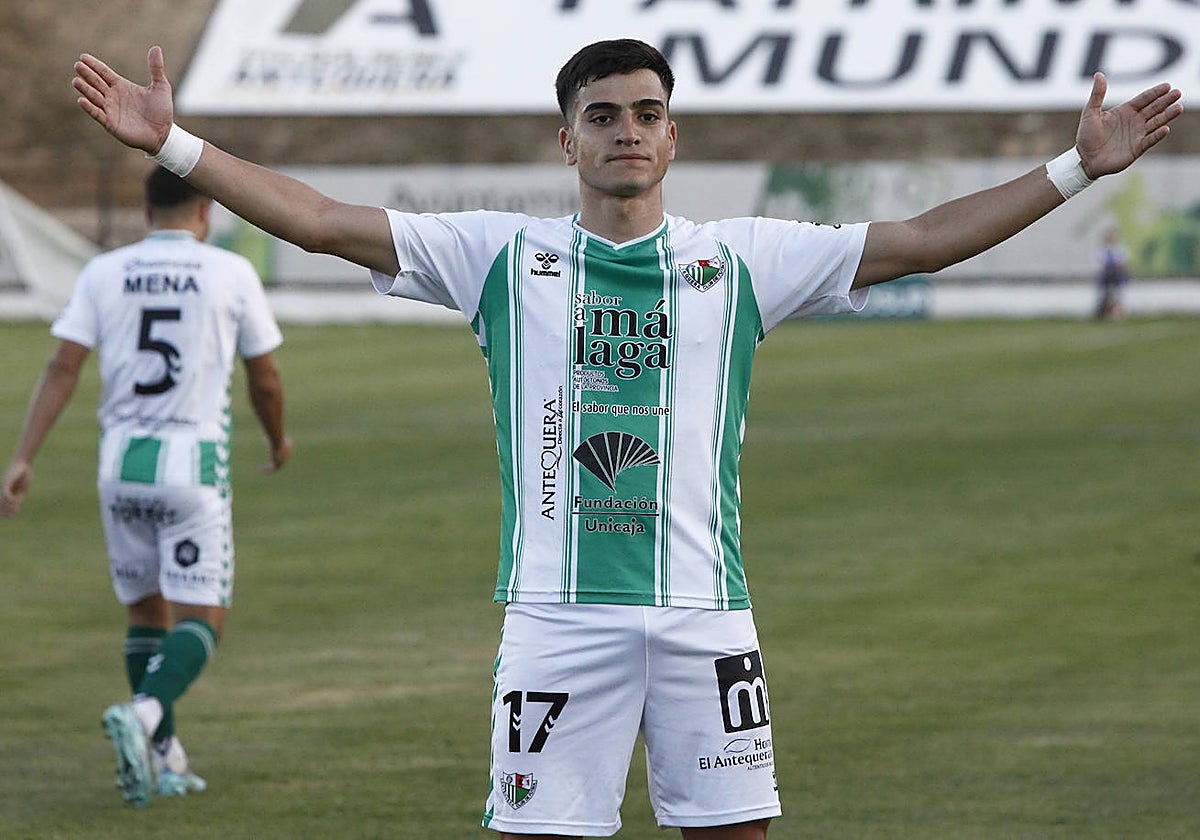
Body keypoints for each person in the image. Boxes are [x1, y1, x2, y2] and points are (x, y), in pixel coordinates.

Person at [69, 38, 1180, 836]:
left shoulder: (741, 258)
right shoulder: (499, 254)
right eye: (603, 115)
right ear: (568, 139)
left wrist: (1078, 167)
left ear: (673, 134)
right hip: (555, 625)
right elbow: (314, 219)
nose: (627, 131)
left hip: (707, 617)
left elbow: (927, 238)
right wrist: (174, 144)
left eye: (646, 112)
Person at [1, 166, 292, 808]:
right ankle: (146, 714)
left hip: (118, 469)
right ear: (205, 214)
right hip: (192, 468)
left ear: (144, 211)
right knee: (204, 618)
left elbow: (63, 365)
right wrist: (277, 439)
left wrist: (23, 457)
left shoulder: (105, 272)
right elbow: (264, 378)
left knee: (144, 611)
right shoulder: (227, 272)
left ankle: (164, 760)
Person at [1095, 228, 1132, 319]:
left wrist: (1118, 268)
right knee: (1105, 294)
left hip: (1118, 274)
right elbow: (1098, 264)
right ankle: (1104, 312)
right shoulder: (1100, 250)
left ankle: (1120, 311)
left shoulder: (1121, 249)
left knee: (1119, 294)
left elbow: (1125, 262)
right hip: (1106, 275)